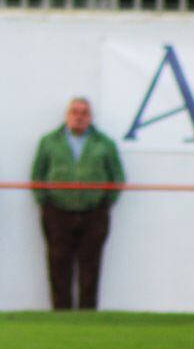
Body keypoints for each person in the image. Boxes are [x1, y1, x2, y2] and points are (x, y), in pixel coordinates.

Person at [31, 97, 125, 310]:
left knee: (90, 266)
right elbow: (38, 175)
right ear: (66, 115)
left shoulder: (104, 144)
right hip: (57, 212)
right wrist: (45, 203)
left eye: (84, 113)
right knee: (58, 264)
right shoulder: (49, 142)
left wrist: (104, 202)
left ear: (90, 117)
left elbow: (117, 176)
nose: (79, 117)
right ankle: (61, 314)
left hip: (94, 213)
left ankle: (87, 314)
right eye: (74, 112)